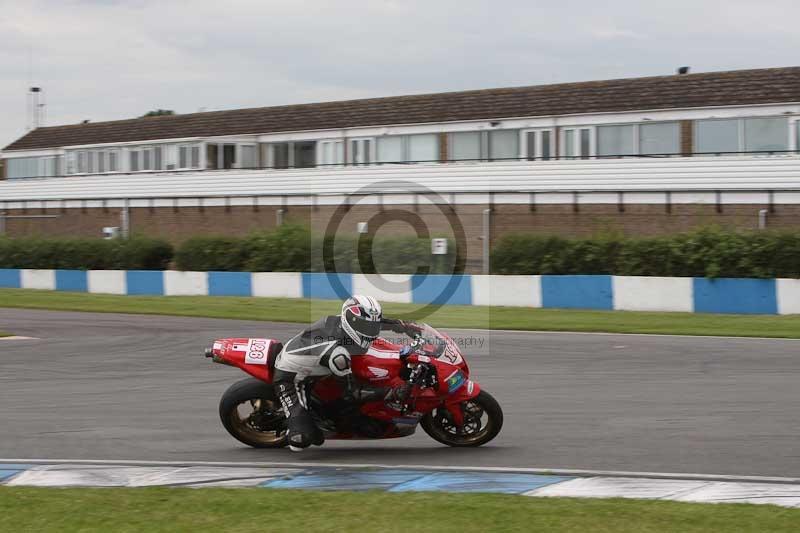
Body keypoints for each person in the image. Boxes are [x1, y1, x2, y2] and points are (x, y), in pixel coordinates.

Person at [273, 294, 419, 451]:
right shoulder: (338, 354)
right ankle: (294, 425)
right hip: (292, 378)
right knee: (302, 440)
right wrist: (392, 393)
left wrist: (402, 325)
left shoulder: (343, 322)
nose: (370, 330)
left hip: (313, 362)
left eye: (370, 326)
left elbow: (373, 322)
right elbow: (352, 393)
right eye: (365, 327)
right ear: (352, 322)